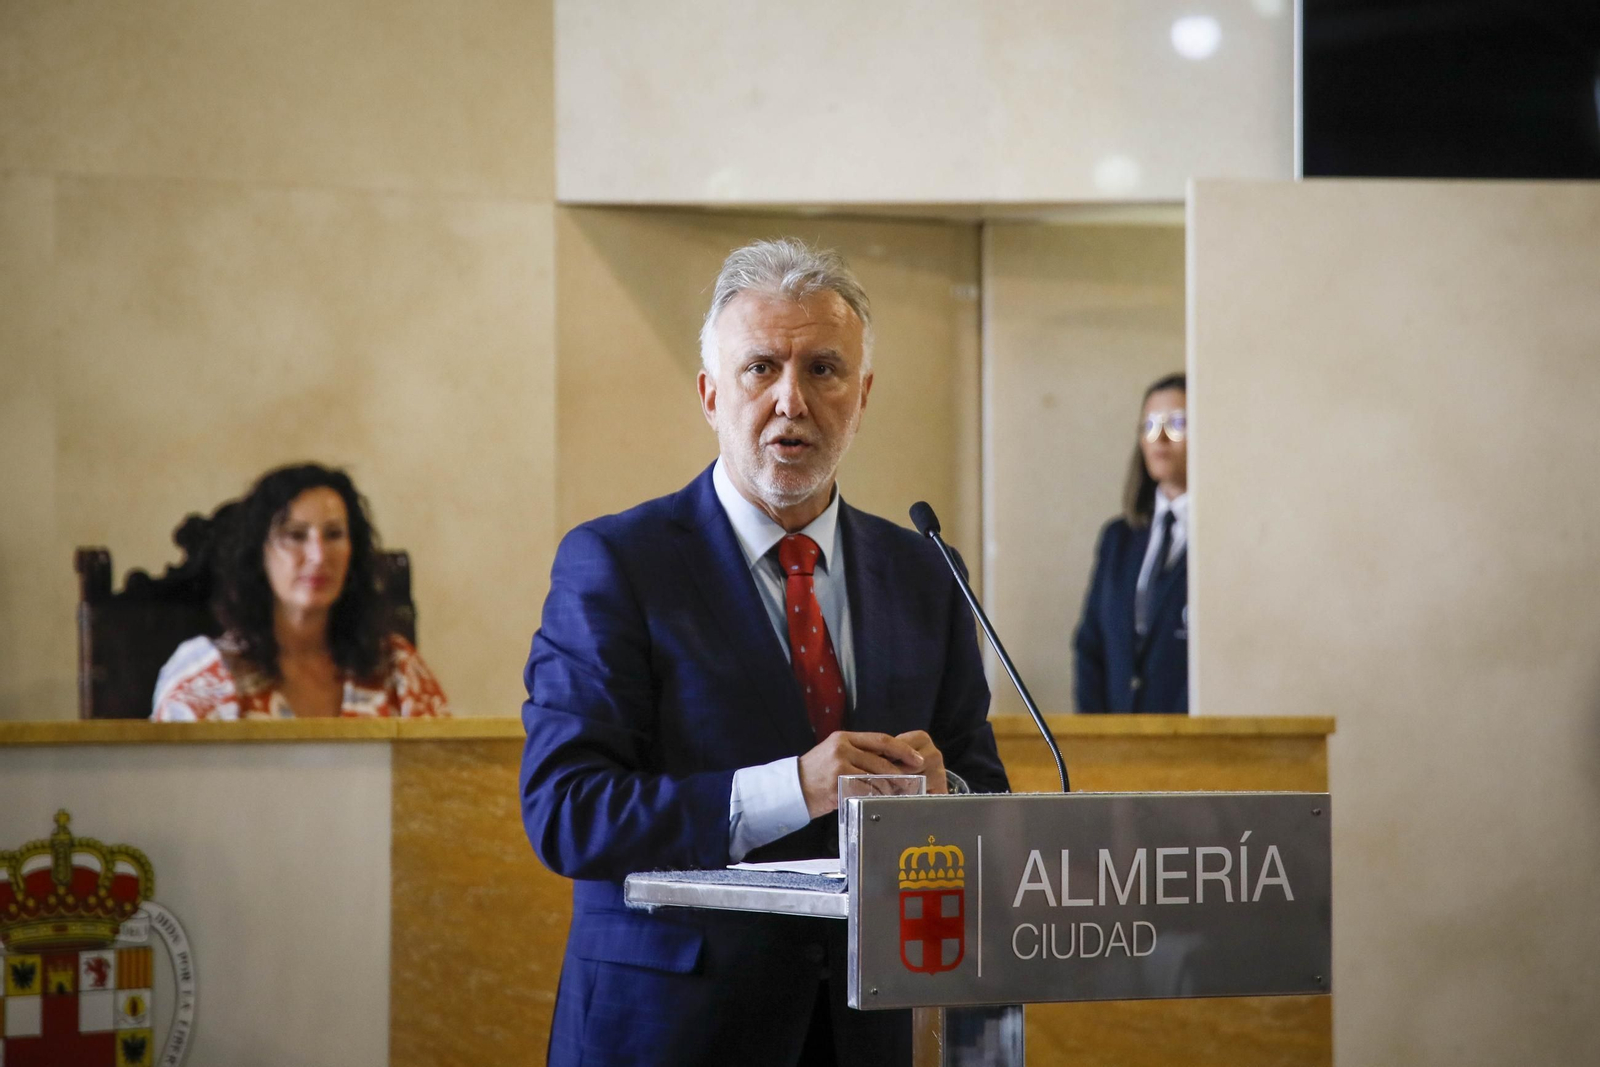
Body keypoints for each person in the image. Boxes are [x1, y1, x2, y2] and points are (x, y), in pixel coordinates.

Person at [519, 238, 1009, 1067]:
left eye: (824, 369)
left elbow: (980, 783)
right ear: (711, 394)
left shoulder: (926, 572)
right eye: (760, 369)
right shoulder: (618, 564)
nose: (792, 400)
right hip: (667, 1030)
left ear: (863, 396)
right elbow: (567, 810)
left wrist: (943, 796)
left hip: (863, 1027)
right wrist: (796, 788)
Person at [150, 463, 449, 721]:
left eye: (333, 535)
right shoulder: (206, 675)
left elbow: (444, 779)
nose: (318, 555)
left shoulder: (396, 668)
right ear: (259, 554)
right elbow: (178, 785)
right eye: (295, 535)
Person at [1073, 373, 1189, 713]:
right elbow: (1091, 644)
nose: (1161, 438)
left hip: (1194, 742)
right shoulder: (1119, 538)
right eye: (1150, 425)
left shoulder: (1224, 538)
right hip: (1118, 743)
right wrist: (1096, 735)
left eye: (1177, 423)